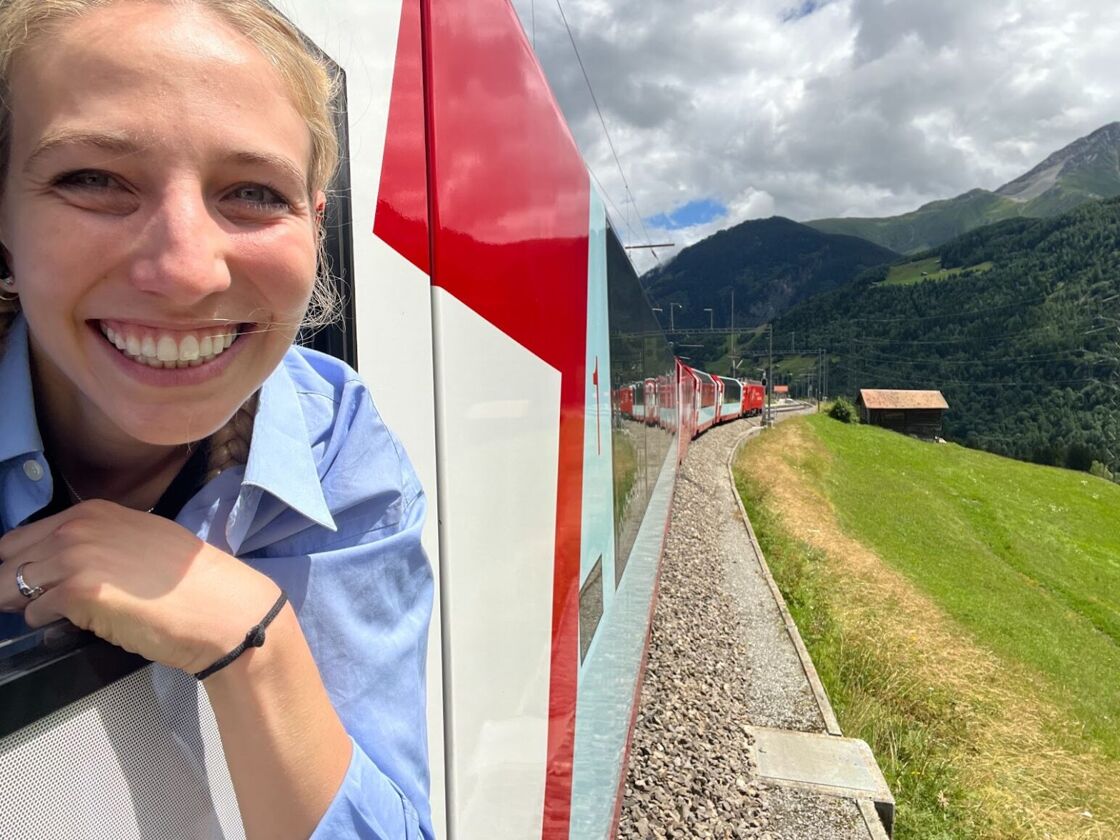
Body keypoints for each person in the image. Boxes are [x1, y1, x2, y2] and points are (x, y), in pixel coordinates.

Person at [0, 1, 433, 838]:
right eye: (93, 179)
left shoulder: (335, 434)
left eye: (252, 193)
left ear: (314, 224)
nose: (186, 271)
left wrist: (251, 640)